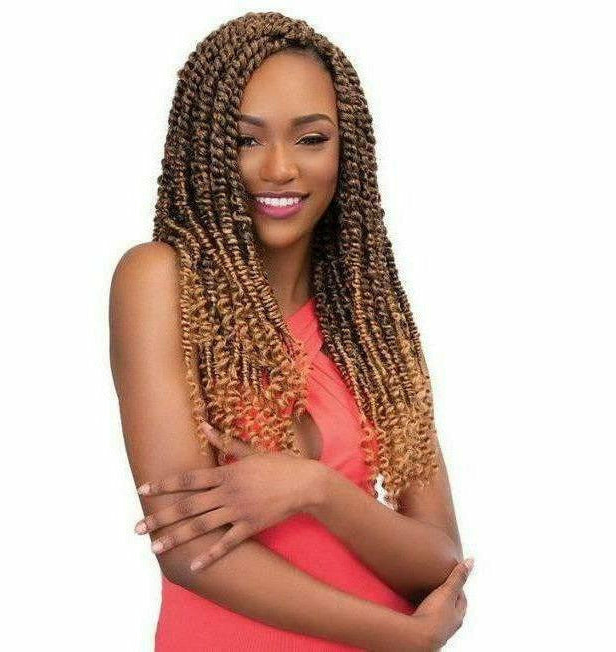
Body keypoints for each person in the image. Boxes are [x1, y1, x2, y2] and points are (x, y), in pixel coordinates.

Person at [109, 11, 472, 651]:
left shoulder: (370, 318)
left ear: (345, 151)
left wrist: (316, 489)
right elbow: (187, 547)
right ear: (206, 152)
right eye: (246, 140)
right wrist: (404, 637)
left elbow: (439, 559)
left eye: (310, 138)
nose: (280, 168)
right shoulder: (159, 280)